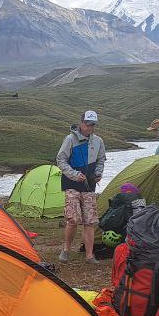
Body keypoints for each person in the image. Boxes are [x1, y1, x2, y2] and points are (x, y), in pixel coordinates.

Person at [56, 110, 106, 263]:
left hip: (89, 186)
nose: (90, 127)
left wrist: (98, 173)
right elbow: (61, 160)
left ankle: (90, 255)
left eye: (93, 124)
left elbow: (101, 159)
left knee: (90, 221)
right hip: (71, 184)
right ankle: (66, 250)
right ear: (81, 123)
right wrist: (74, 174)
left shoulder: (98, 141)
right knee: (72, 219)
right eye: (87, 124)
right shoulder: (70, 139)